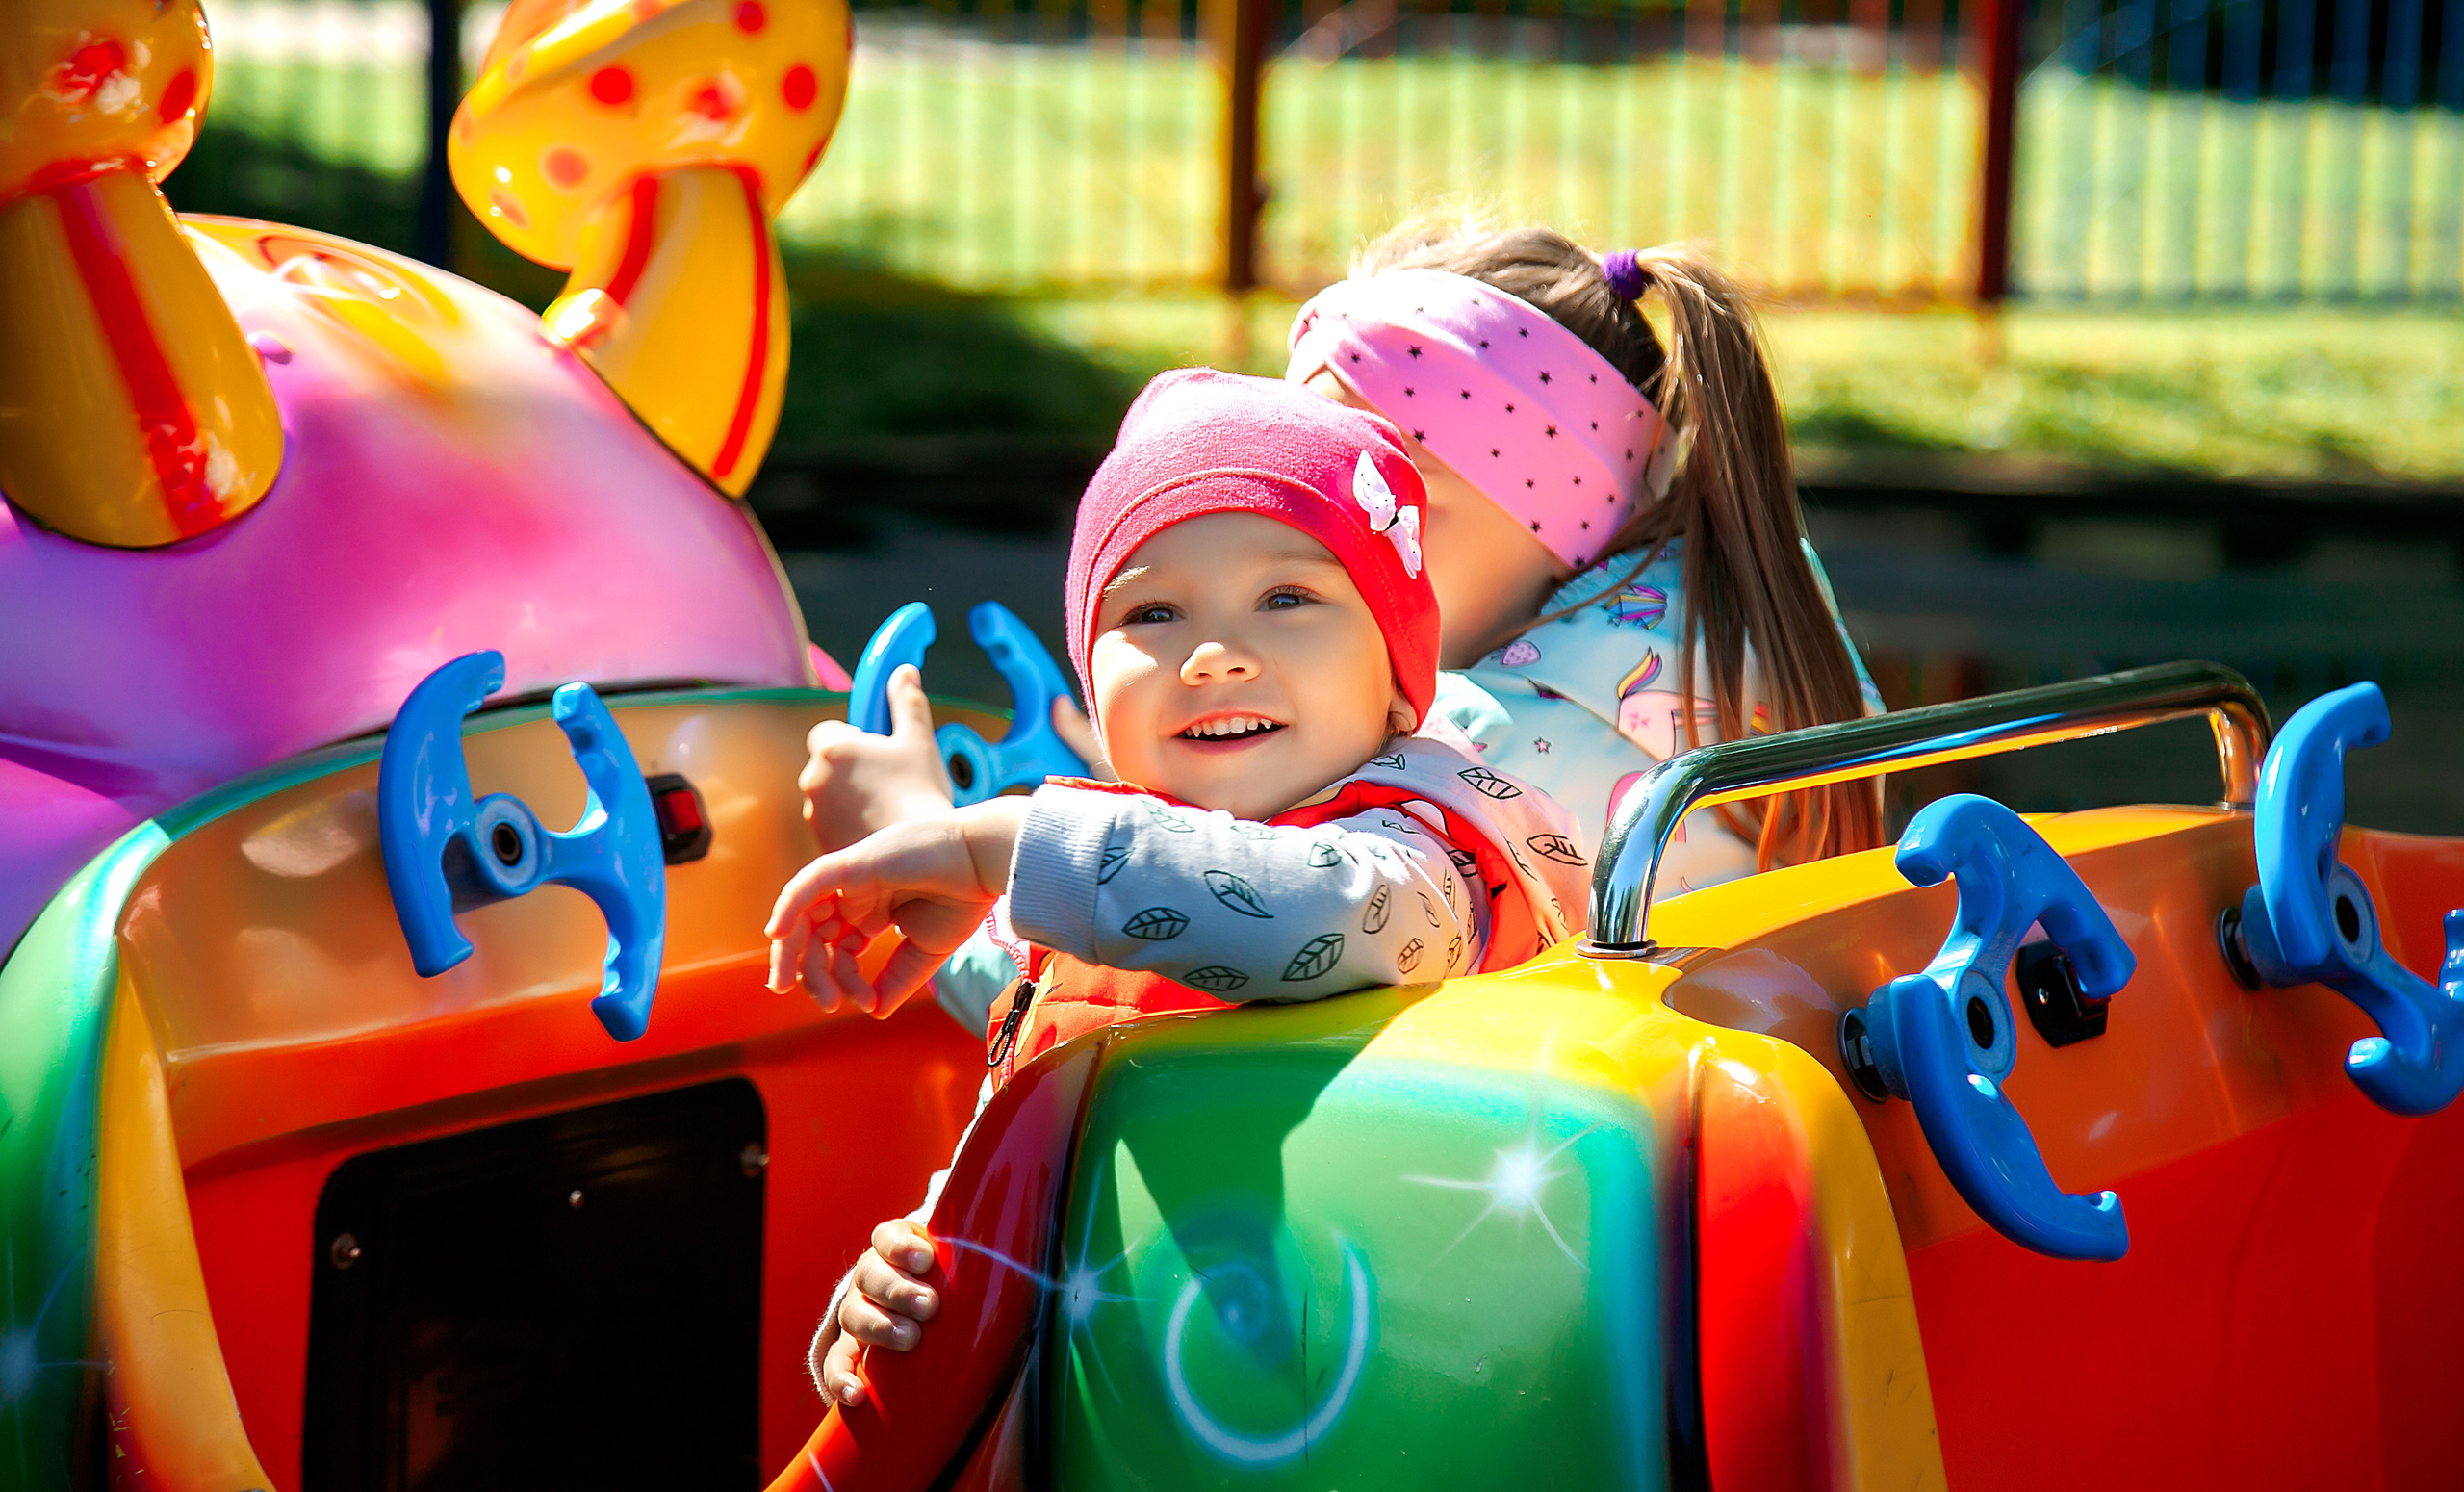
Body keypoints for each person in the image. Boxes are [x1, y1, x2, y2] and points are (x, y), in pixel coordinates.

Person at [766, 368, 1589, 1409]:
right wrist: (899, 1284)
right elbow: (1042, 1095)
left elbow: (1310, 918)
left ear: (1396, 678)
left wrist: (988, 844)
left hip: (1395, 1408)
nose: (1212, 655)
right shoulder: (1105, 882)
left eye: (1287, 597)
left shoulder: (1428, 858)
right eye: (1151, 611)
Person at [1284, 216, 1885, 893]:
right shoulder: (1765, 634)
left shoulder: (1456, 753)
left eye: (1390, 508)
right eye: (1304, 501)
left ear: (1560, 522)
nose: (1325, 547)